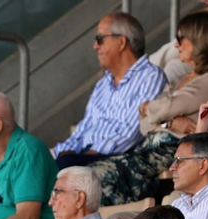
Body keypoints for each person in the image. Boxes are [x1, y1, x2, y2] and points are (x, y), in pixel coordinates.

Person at [54, 12, 167, 167]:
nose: (95, 46)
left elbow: (132, 131)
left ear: (121, 42)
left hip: (116, 160)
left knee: (64, 166)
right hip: (84, 156)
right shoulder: (103, 83)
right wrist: (59, 153)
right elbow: (84, 128)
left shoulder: (150, 76)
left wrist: (86, 155)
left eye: (100, 39)